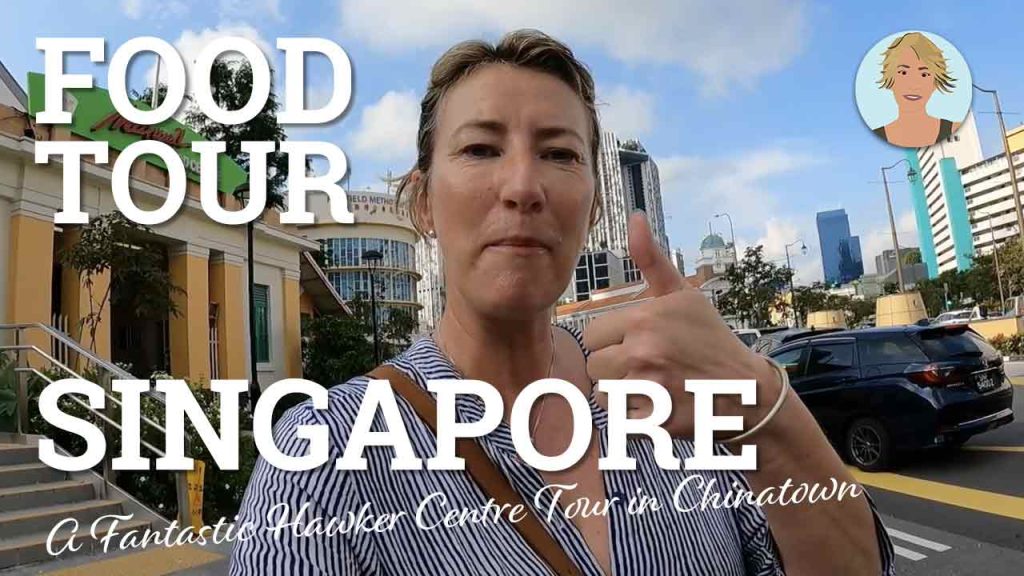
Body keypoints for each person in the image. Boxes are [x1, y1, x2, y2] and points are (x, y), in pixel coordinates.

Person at [231, 30, 894, 575]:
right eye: (481, 148)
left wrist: (764, 408)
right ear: (423, 203)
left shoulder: (679, 400)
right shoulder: (321, 461)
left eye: (558, 153)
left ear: (593, 206)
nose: (523, 186)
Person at [873, 31, 961, 147]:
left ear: (935, 83)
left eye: (924, 74)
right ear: (890, 80)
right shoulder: (879, 133)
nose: (913, 85)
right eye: (903, 72)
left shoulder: (954, 128)